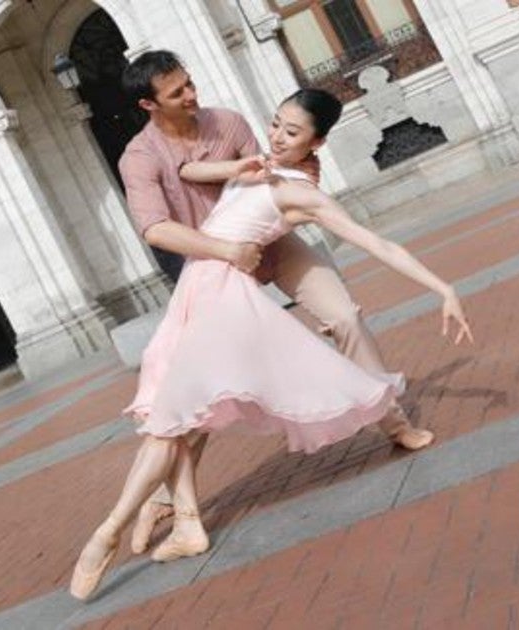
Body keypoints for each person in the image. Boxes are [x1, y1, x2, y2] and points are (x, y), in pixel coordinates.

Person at [67, 87, 473, 601]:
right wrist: (234, 170)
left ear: (317, 142)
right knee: (172, 417)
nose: (277, 137)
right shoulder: (255, 166)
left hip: (225, 297)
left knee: (172, 418)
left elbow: (373, 242)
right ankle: (175, 518)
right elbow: (190, 175)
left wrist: (444, 287)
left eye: (292, 132)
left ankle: (108, 532)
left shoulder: (299, 191)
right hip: (198, 289)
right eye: (276, 124)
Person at [114, 51, 435, 558]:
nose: (192, 96)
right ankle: (165, 501)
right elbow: (155, 229)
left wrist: (305, 175)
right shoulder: (139, 157)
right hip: (212, 264)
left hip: (272, 243)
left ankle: (395, 422)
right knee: (201, 393)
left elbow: (269, 175)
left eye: (190, 83)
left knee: (344, 315)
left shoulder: (227, 122)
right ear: (148, 104)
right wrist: (225, 250)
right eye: (178, 93)